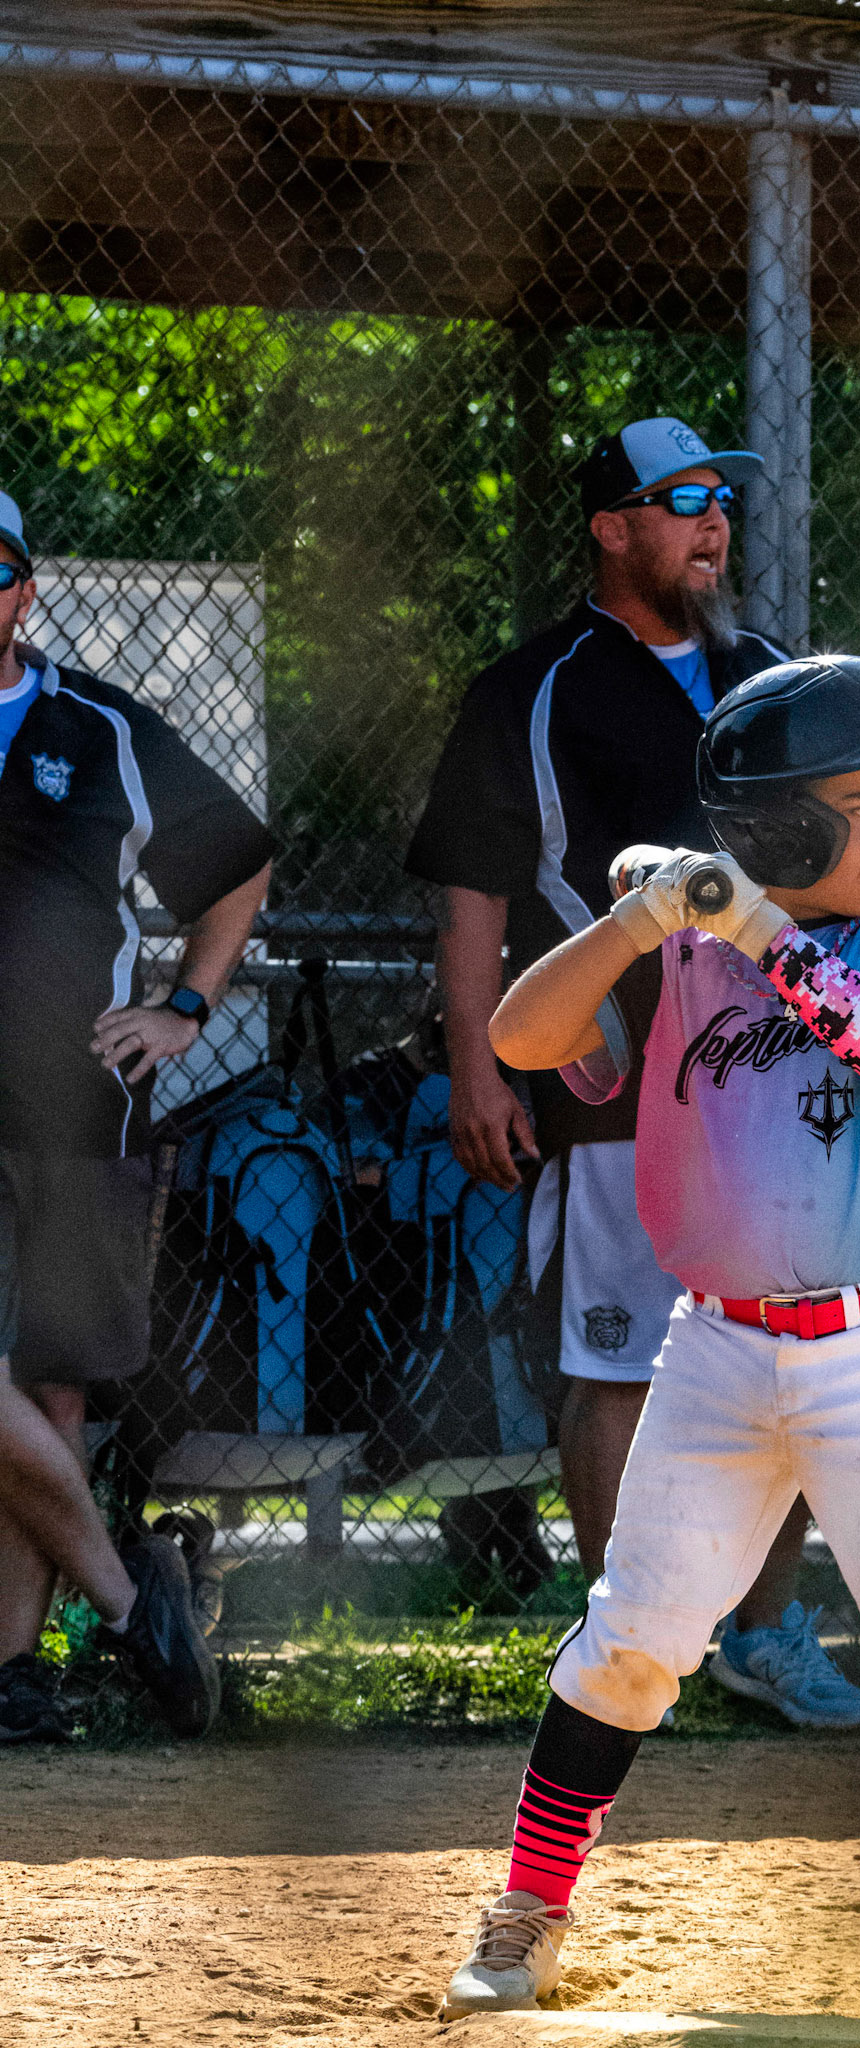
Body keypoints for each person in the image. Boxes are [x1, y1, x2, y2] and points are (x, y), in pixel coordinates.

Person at [437, 656, 860, 2039]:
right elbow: (522, 1035)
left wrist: (748, 922)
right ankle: (530, 1910)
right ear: (773, 825)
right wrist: (639, 924)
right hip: (715, 1358)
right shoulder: (684, 949)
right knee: (630, 1640)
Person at [407, 417, 860, 1726]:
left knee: (795, 1355)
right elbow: (473, 894)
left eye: (721, 498)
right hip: (615, 1079)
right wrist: (481, 1069)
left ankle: (765, 1634)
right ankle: (635, 1648)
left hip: (777, 1082)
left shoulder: (779, 677)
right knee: (620, 1367)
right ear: (613, 528)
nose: (711, 522)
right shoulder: (535, 686)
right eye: (680, 502)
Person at [0, 491, 275, 1741]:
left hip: (74, 1100)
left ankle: (14, 1671)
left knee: (54, 1388)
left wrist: (184, 1004)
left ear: (24, 590)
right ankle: (130, 1598)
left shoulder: (99, 726)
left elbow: (238, 862)